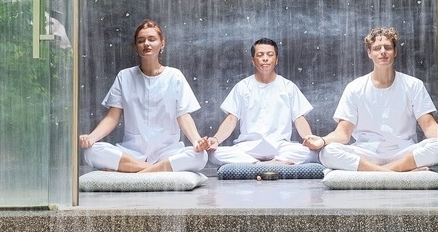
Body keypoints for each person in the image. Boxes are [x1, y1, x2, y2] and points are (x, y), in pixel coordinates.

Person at [302, 27, 438, 172]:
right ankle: (397, 172)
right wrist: (322, 141)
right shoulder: (355, 88)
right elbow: (343, 134)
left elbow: (429, 127)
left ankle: (379, 172)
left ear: (395, 52)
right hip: (367, 154)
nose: (383, 52)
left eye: (388, 47)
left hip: (404, 152)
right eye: (377, 48)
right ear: (369, 53)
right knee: (327, 152)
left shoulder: (413, 85)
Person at [79, 20, 208, 173]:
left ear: (162, 43)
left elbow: (183, 115)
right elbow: (112, 117)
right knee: (91, 151)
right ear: (135, 46)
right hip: (132, 152)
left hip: (168, 152)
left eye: (152, 39)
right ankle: (155, 170)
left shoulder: (175, 76)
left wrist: (196, 141)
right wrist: (91, 138)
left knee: (201, 156)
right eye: (141, 41)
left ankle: (134, 171)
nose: (146, 44)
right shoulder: (124, 76)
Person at [204, 38, 317, 166]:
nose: (265, 59)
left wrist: (309, 139)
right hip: (248, 148)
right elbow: (231, 119)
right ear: (253, 61)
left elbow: (299, 118)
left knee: (311, 152)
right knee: (214, 154)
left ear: (277, 59)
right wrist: (216, 139)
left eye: (270, 55)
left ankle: (258, 165)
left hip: (280, 146)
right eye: (260, 55)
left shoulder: (288, 87)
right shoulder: (242, 87)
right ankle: (260, 164)